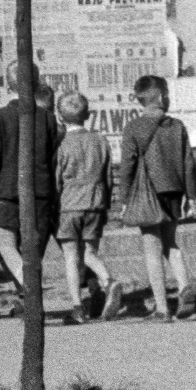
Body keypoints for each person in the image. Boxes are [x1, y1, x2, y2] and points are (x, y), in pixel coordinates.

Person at [113, 75, 196, 321]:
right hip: (174, 191)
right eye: (167, 93)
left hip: (147, 193)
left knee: (152, 249)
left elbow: (127, 166)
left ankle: (162, 308)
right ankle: (184, 286)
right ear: (161, 97)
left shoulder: (133, 127)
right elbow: (188, 163)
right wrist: (191, 196)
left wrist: (124, 199)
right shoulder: (178, 126)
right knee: (171, 243)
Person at [0, 67, 62, 294]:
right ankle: (29, 291)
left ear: (9, 86)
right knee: (35, 248)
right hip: (41, 189)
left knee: (7, 245)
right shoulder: (48, 118)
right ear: (37, 84)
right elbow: (51, 156)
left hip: (8, 189)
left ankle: (28, 286)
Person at [51, 91, 115, 324]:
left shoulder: (61, 144)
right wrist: (106, 204)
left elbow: (57, 179)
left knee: (71, 257)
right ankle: (108, 281)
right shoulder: (100, 140)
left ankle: (77, 307)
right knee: (90, 253)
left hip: (68, 204)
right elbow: (108, 177)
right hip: (96, 202)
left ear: (60, 117)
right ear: (87, 115)